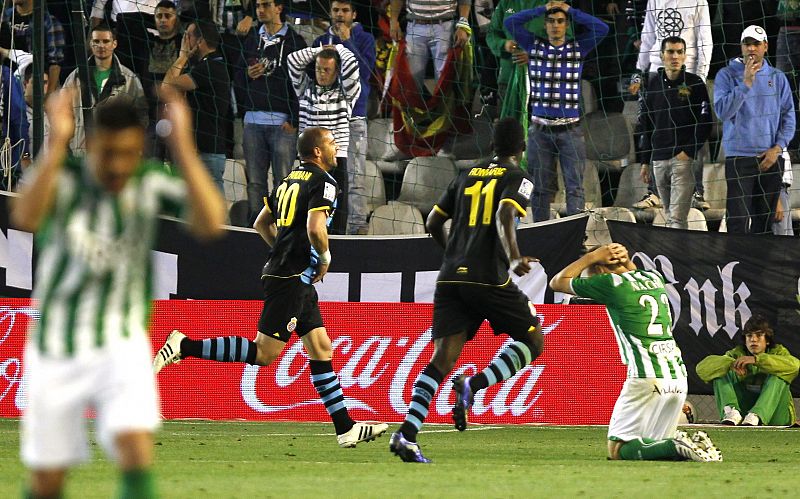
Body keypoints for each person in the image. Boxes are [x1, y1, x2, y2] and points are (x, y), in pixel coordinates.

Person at [12, 86, 226, 499]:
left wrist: (182, 148)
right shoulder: (66, 178)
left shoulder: (149, 183)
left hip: (121, 340)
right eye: (108, 153)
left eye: (128, 154)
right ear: (90, 144)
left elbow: (211, 221)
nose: (117, 166)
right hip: (57, 343)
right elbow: (25, 214)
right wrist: (56, 141)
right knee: (47, 482)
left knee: (135, 450)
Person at [153, 126, 389, 448]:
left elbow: (260, 223)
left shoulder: (288, 181)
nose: (336, 148)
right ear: (317, 152)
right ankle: (185, 345)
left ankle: (345, 427)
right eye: (331, 143)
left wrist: (284, 250)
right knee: (265, 354)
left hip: (291, 277)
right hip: (292, 278)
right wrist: (324, 258)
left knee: (321, 349)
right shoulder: (326, 183)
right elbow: (315, 227)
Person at [389, 118, 544, 463]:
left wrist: (453, 257)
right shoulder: (518, 177)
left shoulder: (463, 175)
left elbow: (432, 222)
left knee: (442, 360)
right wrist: (514, 257)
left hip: (449, 278)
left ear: (492, 146)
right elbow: (505, 213)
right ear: (522, 149)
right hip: (488, 277)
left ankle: (407, 435)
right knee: (534, 339)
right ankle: (473, 386)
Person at [549, 243, 722, 462]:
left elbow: (557, 282)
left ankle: (678, 444)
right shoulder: (654, 277)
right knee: (652, 448)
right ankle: (688, 446)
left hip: (646, 377)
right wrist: (624, 258)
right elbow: (632, 271)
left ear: (601, 269)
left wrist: (591, 257)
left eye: (591, 273)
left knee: (618, 449)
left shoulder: (611, 283)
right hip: (678, 378)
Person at [504, 1, 608, 221]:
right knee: (539, 188)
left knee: (575, 188)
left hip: (570, 130)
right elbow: (510, 22)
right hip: (539, 130)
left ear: (566, 25)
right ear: (545, 24)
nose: (555, 25)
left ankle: (575, 234)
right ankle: (541, 230)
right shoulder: (533, 45)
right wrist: (542, 8)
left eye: (560, 21)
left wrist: (571, 11)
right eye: (551, 21)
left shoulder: (578, 47)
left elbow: (603, 28)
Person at [630, 0, 713, 213]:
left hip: (688, 72)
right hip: (657, 71)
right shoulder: (654, 1)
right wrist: (639, 72)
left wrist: (699, 78)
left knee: (694, 128)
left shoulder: (698, 2)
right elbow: (648, 36)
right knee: (652, 126)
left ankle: (697, 191)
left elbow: (705, 40)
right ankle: (654, 191)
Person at [714, 25, 796, 234]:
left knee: (765, 225)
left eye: (756, 44)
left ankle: (759, 268)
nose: (751, 48)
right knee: (737, 222)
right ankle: (735, 266)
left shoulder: (778, 78)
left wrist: (777, 149)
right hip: (739, 159)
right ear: (741, 47)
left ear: (765, 46)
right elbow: (722, 112)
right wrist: (746, 83)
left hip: (770, 159)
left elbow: (789, 118)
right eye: (747, 44)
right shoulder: (726, 75)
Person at [234, 0, 307, 223]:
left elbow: (303, 83)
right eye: (257, 6)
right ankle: (256, 227)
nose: (260, 10)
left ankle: (282, 226)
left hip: (282, 124)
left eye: (266, 5)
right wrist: (247, 73)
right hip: (253, 122)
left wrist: (295, 119)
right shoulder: (252, 39)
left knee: (282, 182)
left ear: (279, 8)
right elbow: (236, 76)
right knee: (255, 182)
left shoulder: (295, 41)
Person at [312, 0, 376, 234]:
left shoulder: (364, 38)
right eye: (336, 10)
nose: (340, 15)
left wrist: (347, 41)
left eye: (345, 10)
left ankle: (358, 227)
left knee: (355, 176)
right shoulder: (319, 42)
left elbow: (366, 74)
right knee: (324, 176)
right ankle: (325, 226)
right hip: (324, 120)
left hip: (353, 119)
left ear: (354, 14)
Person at [638, 36, 711, 229]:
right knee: (670, 216)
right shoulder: (653, 85)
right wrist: (645, 161)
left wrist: (687, 152)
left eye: (680, 52)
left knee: (677, 218)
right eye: (670, 51)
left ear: (686, 56)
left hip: (683, 161)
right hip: (659, 160)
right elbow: (647, 125)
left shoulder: (695, 83)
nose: (675, 56)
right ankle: (676, 256)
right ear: (662, 55)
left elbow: (705, 123)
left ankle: (677, 259)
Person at [287, 43, 360, 234]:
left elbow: (353, 64)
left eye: (327, 69)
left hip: (335, 160)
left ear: (336, 72)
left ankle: (338, 245)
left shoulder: (346, 93)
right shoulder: (305, 89)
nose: (321, 73)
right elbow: (292, 60)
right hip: (309, 160)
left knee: (337, 210)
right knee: (306, 208)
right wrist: (316, 51)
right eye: (318, 68)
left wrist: (337, 47)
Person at [162, 19, 232, 193]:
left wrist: (182, 56)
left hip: (205, 151)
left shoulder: (209, 68)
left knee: (211, 210)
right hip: (206, 147)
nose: (184, 40)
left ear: (199, 41)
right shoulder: (210, 65)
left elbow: (166, 86)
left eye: (187, 36)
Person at [696, 313, 799, 426]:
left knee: (779, 373)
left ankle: (757, 414)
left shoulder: (779, 352)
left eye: (759, 335)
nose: (753, 340)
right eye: (749, 336)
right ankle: (732, 412)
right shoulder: (736, 354)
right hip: (745, 417)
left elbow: (795, 366)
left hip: (777, 415)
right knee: (720, 369)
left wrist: (757, 360)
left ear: (767, 340)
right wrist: (731, 364)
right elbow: (701, 369)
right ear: (745, 340)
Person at [63, 24, 148, 155]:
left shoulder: (130, 79)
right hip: (79, 153)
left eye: (106, 41)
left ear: (114, 44)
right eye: (96, 41)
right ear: (90, 44)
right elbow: (64, 112)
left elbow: (141, 117)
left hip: (117, 153)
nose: (101, 45)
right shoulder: (75, 76)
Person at [388, 0, 472, 93]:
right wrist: (393, 21)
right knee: (410, 80)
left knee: (445, 79)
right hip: (414, 26)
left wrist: (463, 23)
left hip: (445, 26)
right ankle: (412, 107)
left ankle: (444, 107)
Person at [2, 0, 63, 95]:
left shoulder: (48, 21)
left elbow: (55, 64)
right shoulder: (4, 17)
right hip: (6, 85)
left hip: (33, 89)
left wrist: (48, 96)